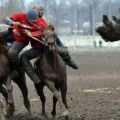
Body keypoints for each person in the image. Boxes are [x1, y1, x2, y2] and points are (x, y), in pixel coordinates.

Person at [31, 5, 79, 69]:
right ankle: (69, 60)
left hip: (48, 39)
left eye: (42, 10)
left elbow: (47, 30)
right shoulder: (34, 20)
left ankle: (64, 53)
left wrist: (50, 28)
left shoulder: (41, 20)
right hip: (43, 42)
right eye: (40, 10)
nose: (41, 12)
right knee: (64, 51)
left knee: (54, 34)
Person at [5, 9, 42, 84]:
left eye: (36, 19)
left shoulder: (37, 23)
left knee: (11, 53)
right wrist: (12, 23)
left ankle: (18, 67)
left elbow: (40, 32)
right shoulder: (21, 15)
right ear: (27, 17)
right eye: (33, 19)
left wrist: (31, 34)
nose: (35, 21)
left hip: (21, 40)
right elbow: (6, 19)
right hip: (10, 35)